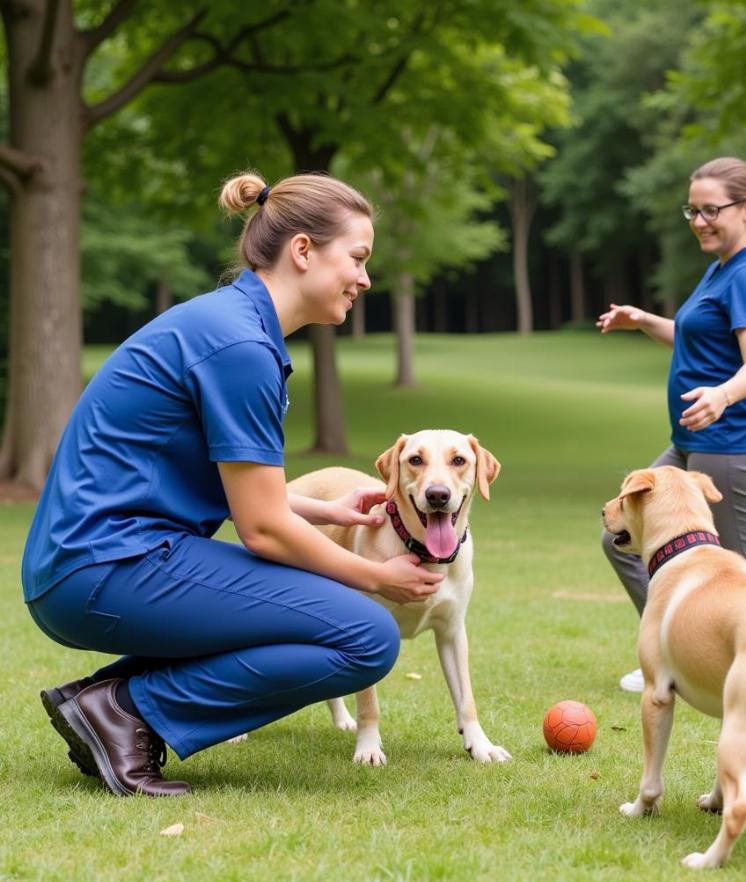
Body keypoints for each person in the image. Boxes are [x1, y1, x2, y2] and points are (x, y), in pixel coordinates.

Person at [22, 171, 444, 796]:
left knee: (322, 612)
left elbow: (226, 490)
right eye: (357, 257)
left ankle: (107, 702)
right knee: (367, 634)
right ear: (303, 251)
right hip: (102, 564)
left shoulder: (232, 325)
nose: (364, 278)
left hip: (94, 560)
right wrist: (378, 577)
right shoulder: (240, 345)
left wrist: (323, 511)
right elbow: (264, 530)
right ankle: (127, 712)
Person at [597, 157, 746, 693]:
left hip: (738, 444)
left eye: (711, 210)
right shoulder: (723, 266)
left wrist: (723, 396)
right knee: (621, 536)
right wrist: (643, 320)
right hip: (696, 442)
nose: (699, 221)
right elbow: (697, 337)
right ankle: (669, 647)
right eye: (693, 210)